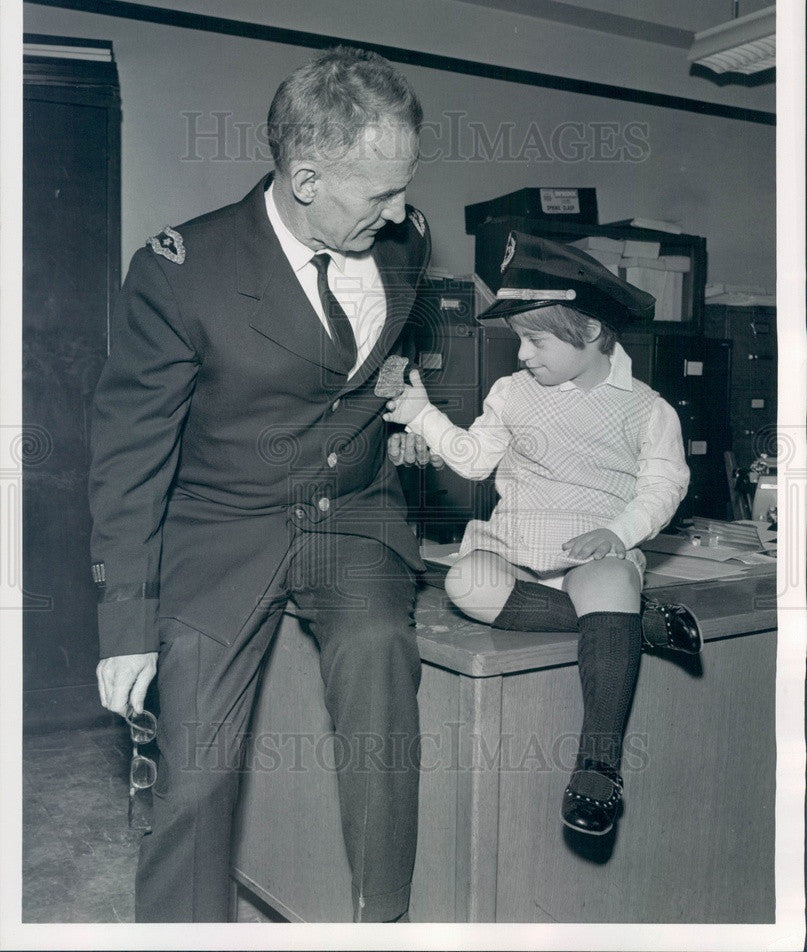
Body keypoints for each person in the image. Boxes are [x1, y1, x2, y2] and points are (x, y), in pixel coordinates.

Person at [89, 45, 437, 923]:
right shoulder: (180, 271)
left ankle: (381, 917)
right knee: (195, 776)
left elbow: (350, 376)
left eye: (404, 189)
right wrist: (126, 624)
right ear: (306, 177)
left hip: (353, 514)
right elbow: (129, 454)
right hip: (223, 523)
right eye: (381, 195)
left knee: (379, 663)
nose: (401, 212)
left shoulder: (404, 244)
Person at [384, 230, 702, 837]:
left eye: (535, 338)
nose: (523, 352)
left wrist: (618, 531)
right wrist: (424, 414)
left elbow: (664, 487)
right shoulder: (511, 393)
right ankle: (632, 623)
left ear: (588, 330)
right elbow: (475, 459)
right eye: (518, 339)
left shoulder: (647, 408)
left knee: (608, 578)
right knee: (465, 584)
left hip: (593, 545)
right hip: (515, 545)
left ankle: (599, 764)